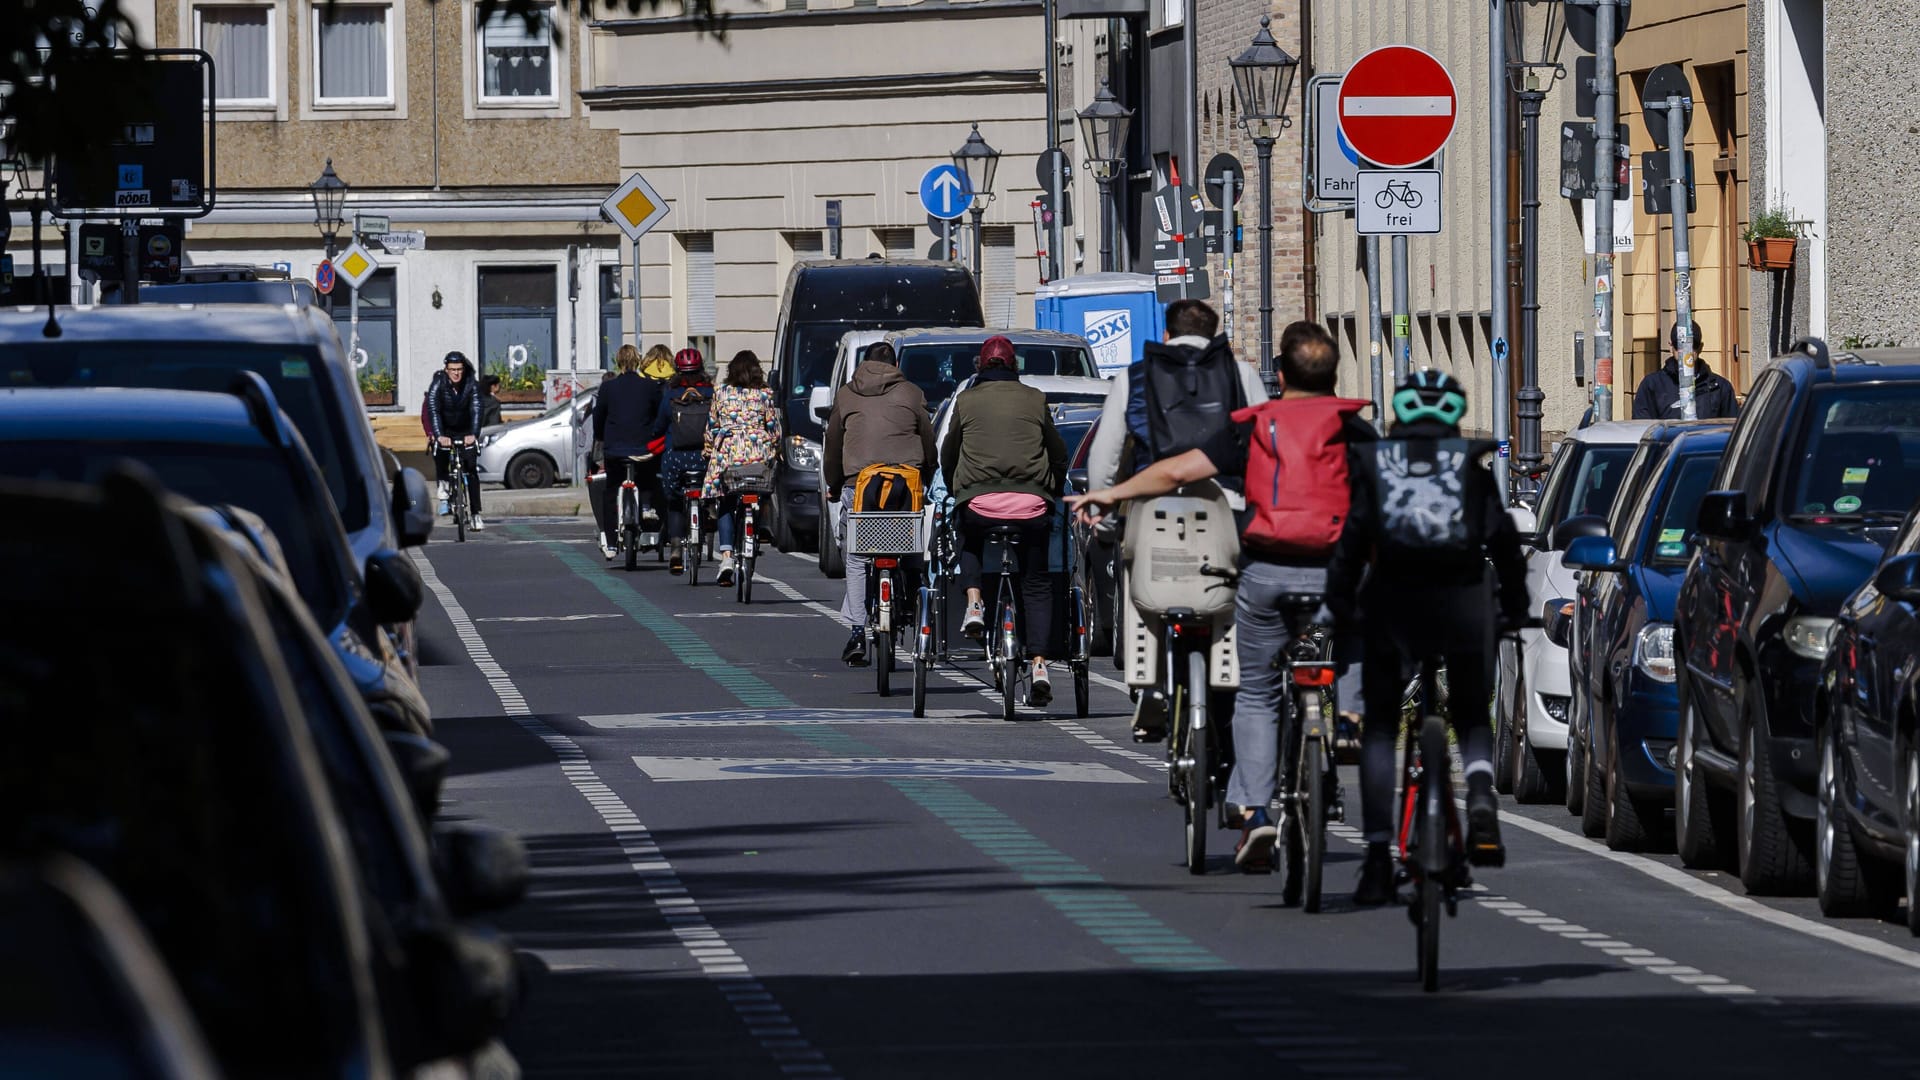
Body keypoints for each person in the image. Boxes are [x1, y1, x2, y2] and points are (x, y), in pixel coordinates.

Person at [1069, 322, 1375, 871]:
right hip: (1332, 574)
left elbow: (1177, 470)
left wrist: (1111, 493)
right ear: (1334, 375)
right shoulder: (1354, 430)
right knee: (1358, 620)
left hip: (1268, 574)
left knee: (1256, 693)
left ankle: (1255, 813)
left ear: (1281, 375)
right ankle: (1350, 717)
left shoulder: (1257, 428)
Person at [1324, 369, 1530, 905]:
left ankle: (1375, 859)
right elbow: (1504, 544)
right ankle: (1480, 789)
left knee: (1380, 729)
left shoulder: (1377, 464)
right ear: (1455, 415)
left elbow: (1351, 542)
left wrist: (1341, 604)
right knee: (1468, 712)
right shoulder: (1470, 466)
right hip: (1462, 603)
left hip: (1393, 604)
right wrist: (1514, 608)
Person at [941, 335, 1068, 706]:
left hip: (979, 504)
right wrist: (1053, 488)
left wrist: (955, 488)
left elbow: (950, 452)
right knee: (1036, 581)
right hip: (1031, 505)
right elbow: (1057, 451)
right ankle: (1041, 663)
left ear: (981, 367)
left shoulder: (966, 400)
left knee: (969, 538)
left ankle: (976, 602)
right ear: (1015, 367)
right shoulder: (1035, 398)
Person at [822, 341, 936, 665]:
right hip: (905, 485)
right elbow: (927, 439)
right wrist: (928, 469)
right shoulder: (912, 393)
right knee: (911, 544)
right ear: (896, 364)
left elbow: (833, 445)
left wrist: (834, 482)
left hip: (858, 487)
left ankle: (857, 630)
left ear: (864, 363)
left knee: (857, 558)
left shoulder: (846, 394)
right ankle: (913, 601)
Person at [1084, 298, 1269, 495]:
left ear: (1166, 335)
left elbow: (1104, 456)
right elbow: (1267, 444)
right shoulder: (1240, 373)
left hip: (1151, 505)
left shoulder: (1132, 377)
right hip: (1227, 502)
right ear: (1211, 336)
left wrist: (1103, 517)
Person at [703, 350, 782, 587]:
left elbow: (712, 427)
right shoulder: (765, 394)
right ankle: (759, 529)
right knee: (761, 490)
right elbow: (774, 429)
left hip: (728, 455)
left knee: (726, 499)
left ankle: (726, 557)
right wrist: (775, 448)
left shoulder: (721, 393)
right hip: (758, 453)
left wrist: (709, 450)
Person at [591, 343, 667, 559]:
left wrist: (601, 437)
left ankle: (611, 542)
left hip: (615, 448)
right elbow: (659, 416)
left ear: (619, 362)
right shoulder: (650, 387)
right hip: (643, 447)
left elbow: (599, 416)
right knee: (649, 478)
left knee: (611, 490)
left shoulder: (608, 388)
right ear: (638, 361)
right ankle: (646, 506)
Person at [656, 348, 715, 575]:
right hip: (704, 458)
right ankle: (709, 513)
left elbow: (659, 427)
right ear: (701, 370)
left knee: (673, 501)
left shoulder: (670, 395)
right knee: (711, 491)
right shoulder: (711, 393)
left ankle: (676, 546)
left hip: (676, 459)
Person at [1632, 321, 1739, 420]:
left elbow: (1733, 431)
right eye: (1680, 345)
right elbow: (1642, 429)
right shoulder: (1652, 385)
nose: (1685, 351)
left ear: (1700, 347)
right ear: (1671, 346)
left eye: (1692, 345)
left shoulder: (1720, 387)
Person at [427, 351, 485, 530]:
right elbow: (433, 408)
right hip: (445, 431)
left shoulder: (472, 384)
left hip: (466, 431)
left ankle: (475, 513)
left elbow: (477, 408)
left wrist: (474, 434)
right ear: (446, 369)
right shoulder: (438, 383)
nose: (456, 373)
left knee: (471, 469)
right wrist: (438, 435)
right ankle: (444, 491)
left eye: (459, 369)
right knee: (441, 456)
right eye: (452, 370)